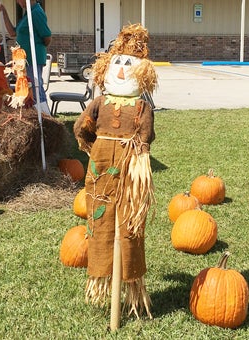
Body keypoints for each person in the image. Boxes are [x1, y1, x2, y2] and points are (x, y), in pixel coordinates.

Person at [73, 24, 158, 319]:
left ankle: (130, 280)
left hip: (131, 166)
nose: (122, 70)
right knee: (101, 218)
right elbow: (82, 126)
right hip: (102, 166)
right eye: (117, 63)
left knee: (130, 222)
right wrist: (89, 146)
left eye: (128, 64)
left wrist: (140, 156)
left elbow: (147, 136)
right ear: (106, 68)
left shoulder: (142, 107)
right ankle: (101, 276)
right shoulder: (100, 102)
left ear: (142, 72)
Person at [0, 0, 52, 114]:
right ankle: (34, 115)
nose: (17, 1)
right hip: (23, 61)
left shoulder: (36, 12)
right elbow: (12, 32)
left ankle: (45, 116)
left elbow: (47, 37)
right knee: (27, 90)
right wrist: (4, 12)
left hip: (32, 59)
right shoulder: (28, 13)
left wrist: (36, 48)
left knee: (36, 88)